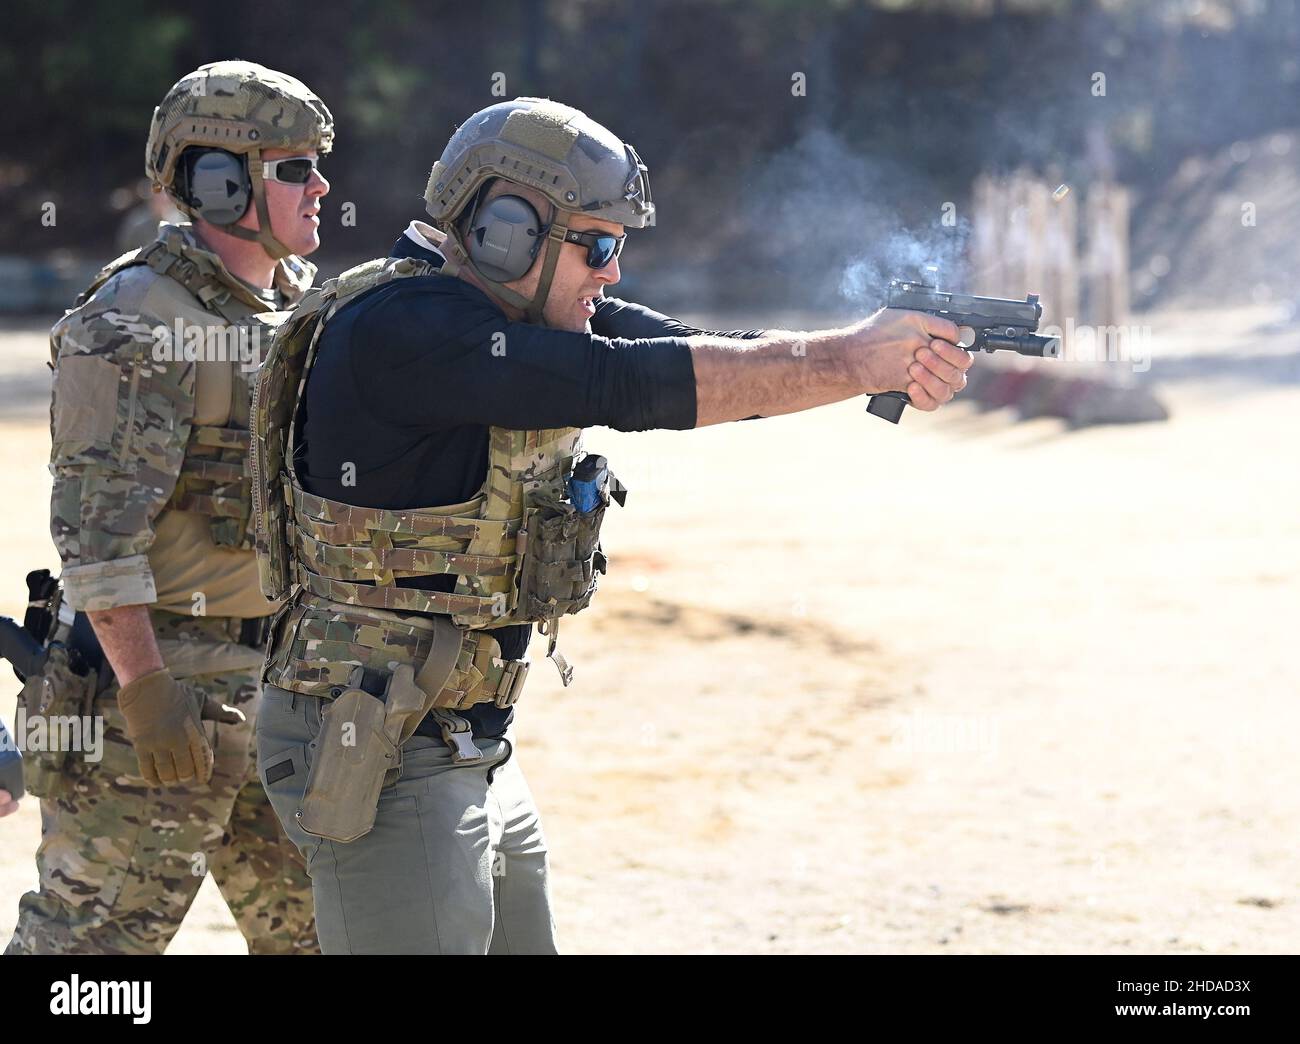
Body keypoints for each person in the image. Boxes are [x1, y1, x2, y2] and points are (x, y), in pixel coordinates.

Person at [252, 97, 971, 955]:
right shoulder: (408, 330)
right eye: (597, 245)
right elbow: (634, 386)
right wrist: (854, 359)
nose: (612, 273)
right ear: (505, 230)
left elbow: (695, 352)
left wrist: (862, 358)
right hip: (380, 746)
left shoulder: (509, 314)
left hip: (459, 737)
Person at [6, 60, 332, 956]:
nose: (321, 186)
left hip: (279, 691)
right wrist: (147, 689)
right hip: (149, 703)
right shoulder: (138, 318)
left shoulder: (293, 309)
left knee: (327, 938)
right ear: (219, 182)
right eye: (294, 167)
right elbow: (97, 532)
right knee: (88, 955)